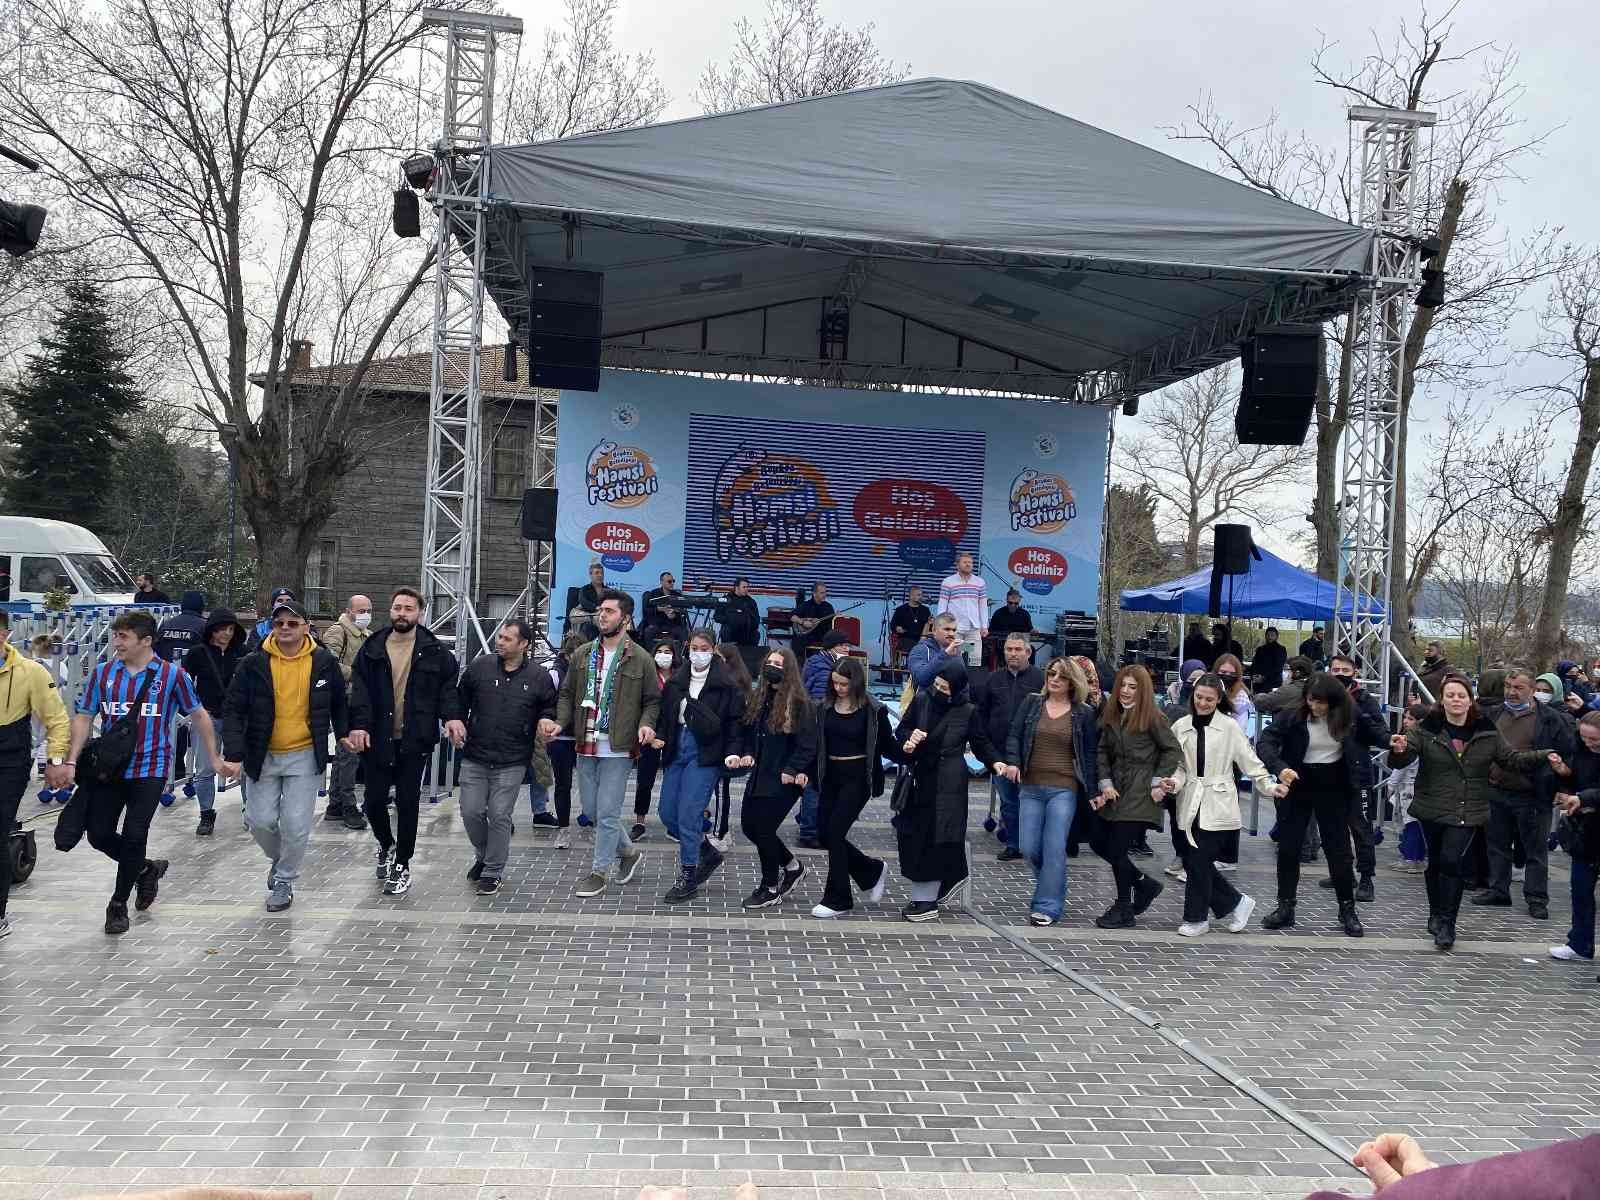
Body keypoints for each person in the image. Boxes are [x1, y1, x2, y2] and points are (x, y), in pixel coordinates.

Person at [68, 611, 227, 935]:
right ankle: (145, 869)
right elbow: (84, 716)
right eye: (115, 635)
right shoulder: (103, 673)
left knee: (135, 834)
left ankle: (117, 904)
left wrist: (214, 757)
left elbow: (198, 714)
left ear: (146, 641)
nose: (116, 642)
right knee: (98, 834)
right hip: (110, 769)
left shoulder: (172, 675)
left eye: (123, 637)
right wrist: (71, 759)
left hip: (151, 768)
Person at [1386, 672, 1548, 950]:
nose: (1456, 700)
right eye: (1450, 695)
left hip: (1468, 809)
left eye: (1461, 695)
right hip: (1432, 807)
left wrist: (1545, 755)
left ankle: (1448, 923)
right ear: (1442, 700)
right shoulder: (1426, 729)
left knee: (1452, 861)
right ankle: (1435, 913)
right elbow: (1404, 756)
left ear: (1470, 700)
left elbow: (1510, 759)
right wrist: (1399, 750)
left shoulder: (1486, 730)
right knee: (1437, 862)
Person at [220, 599, 349, 913]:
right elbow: (234, 710)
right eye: (279, 623)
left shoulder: (323, 661)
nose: (285, 628)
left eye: (292, 623)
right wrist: (234, 754)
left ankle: (284, 881)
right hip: (262, 754)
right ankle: (280, 860)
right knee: (258, 820)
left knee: (295, 825)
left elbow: (338, 703)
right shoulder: (253, 663)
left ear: (306, 627)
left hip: (305, 754)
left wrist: (346, 733)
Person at [346, 587, 464, 898]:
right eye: (398, 607)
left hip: (415, 738)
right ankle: (386, 844)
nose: (402, 613)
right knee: (373, 801)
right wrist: (359, 725)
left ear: (420, 614)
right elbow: (360, 691)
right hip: (377, 737)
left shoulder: (435, 651)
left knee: (408, 801)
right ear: (391, 610)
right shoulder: (372, 647)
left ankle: (402, 863)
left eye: (409, 608)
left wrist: (452, 718)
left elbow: (447, 690)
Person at [547, 588, 659, 898]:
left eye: (609, 611)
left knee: (608, 813)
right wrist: (560, 722)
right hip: (585, 743)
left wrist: (646, 724)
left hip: (619, 748)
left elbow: (652, 700)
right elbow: (567, 693)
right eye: (600, 610)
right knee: (593, 812)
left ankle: (599, 872)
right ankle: (629, 852)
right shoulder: (583, 654)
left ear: (625, 619)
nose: (602, 615)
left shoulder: (641, 658)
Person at [1257, 673, 1389, 938]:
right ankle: (1285, 906)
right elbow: (1266, 742)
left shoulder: (1349, 714)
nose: (1315, 706)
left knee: (1338, 850)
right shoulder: (1292, 715)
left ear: (1334, 701)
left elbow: (1374, 732)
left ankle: (1347, 908)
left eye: (1321, 702)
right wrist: (1279, 767)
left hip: (1334, 784)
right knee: (1289, 848)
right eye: (1311, 700)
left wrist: (1391, 741)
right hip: (1297, 781)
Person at [1164, 673, 1284, 937]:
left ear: (1219, 699)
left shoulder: (1229, 727)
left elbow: (1249, 760)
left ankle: (1196, 918)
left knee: (1198, 860)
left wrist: (1269, 785)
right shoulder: (1181, 726)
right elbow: (1179, 766)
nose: (1202, 703)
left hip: (1217, 802)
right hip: (1189, 801)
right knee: (1194, 861)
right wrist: (1173, 782)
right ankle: (1237, 902)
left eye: (1209, 699)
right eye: (1199, 697)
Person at [449, 618, 556, 896]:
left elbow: (549, 707)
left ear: (524, 644)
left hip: (513, 758)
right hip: (476, 754)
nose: (500, 642)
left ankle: (492, 871)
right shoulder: (480, 667)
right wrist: (455, 719)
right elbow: (459, 699)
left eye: (507, 638)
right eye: (499, 637)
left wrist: (546, 720)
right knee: (470, 811)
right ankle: (484, 855)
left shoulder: (539, 677)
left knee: (499, 815)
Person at [892, 658, 998, 922]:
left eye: (945, 688)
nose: (938, 691)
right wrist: (908, 740)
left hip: (948, 783)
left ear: (957, 688)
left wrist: (996, 763)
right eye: (936, 685)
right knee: (913, 834)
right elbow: (903, 729)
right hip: (919, 779)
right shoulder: (922, 699)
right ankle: (930, 890)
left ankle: (928, 898)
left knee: (939, 835)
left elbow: (981, 743)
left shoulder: (967, 711)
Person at [996, 657, 1096, 926]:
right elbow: (1014, 735)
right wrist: (1013, 762)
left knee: (1054, 847)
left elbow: (1088, 754)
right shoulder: (1032, 703)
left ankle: (1047, 906)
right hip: (1030, 786)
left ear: (1072, 682)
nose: (1054, 679)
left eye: (1061, 676)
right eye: (1051, 673)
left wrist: (1094, 790)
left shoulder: (1083, 713)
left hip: (1064, 788)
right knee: (1028, 847)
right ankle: (1054, 884)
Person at [1472, 666, 1572, 920]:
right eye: (1508, 686)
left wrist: (1562, 787)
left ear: (1532, 689)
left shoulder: (1551, 719)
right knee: (1497, 846)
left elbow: (1567, 755)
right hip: (1497, 791)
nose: (1511, 692)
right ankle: (1498, 890)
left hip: (1533, 795)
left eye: (1518, 687)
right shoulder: (1493, 714)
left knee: (1535, 851)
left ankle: (1536, 898)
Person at [804, 656, 899, 918]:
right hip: (830, 776)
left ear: (856, 683)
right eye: (835, 683)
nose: (838, 688)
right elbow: (813, 745)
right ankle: (871, 870)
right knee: (824, 834)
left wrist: (910, 750)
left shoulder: (873, 710)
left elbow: (888, 745)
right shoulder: (823, 707)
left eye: (844, 684)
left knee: (835, 832)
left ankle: (838, 898)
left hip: (858, 778)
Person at [656, 628, 746, 904]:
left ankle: (688, 874)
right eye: (694, 647)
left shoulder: (726, 684)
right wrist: (659, 735)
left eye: (704, 648)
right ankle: (706, 850)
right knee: (667, 812)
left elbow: (735, 723)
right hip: (677, 748)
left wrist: (733, 751)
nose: (698, 653)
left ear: (713, 649)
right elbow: (666, 715)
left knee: (689, 813)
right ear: (687, 647)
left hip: (706, 752)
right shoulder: (677, 681)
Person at [1089, 665, 1182, 929]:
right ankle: (1143, 884)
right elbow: (1102, 752)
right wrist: (1105, 783)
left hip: (1141, 792)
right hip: (1117, 789)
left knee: (1118, 849)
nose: (1126, 691)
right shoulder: (1112, 714)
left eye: (1133, 687)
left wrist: (1157, 782)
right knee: (1097, 841)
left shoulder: (1154, 717)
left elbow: (1172, 750)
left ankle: (1123, 907)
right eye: (1123, 685)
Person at [0, 611, 71, 940]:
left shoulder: (30, 672)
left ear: (5, 635)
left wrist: (55, 761)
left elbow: (57, 719)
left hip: (9, 760)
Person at [735, 647, 815, 909]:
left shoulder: (800, 703)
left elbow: (807, 745)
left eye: (778, 664)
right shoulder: (759, 697)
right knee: (749, 827)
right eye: (769, 663)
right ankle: (792, 866)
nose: (772, 668)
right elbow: (748, 733)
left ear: (788, 670)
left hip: (783, 779)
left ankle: (769, 887)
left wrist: (792, 769)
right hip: (760, 774)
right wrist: (747, 753)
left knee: (764, 829)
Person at [1322, 653, 1387, 901]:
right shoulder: (1322, 699)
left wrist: (1352, 708)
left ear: (1355, 673)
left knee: (1361, 828)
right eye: (1335, 670)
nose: (1340, 674)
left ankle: (1366, 878)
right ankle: (1342, 872)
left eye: (1345, 670)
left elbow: (1379, 733)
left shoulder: (1364, 700)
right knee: (1334, 829)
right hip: (1328, 773)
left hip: (1357, 774)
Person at [179, 606, 247, 836]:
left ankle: (250, 810)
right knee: (205, 768)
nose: (226, 633)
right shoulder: (198, 653)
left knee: (244, 767)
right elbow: (184, 681)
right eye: (222, 629)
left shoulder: (243, 652)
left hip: (237, 718)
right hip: (207, 716)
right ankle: (206, 813)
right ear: (212, 630)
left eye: (231, 629)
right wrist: (193, 708)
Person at [977, 633, 1044, 862]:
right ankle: (1013, 844)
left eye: (1017, 649)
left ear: (1028, 652)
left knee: (1032, 802)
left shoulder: (1041, 679)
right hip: (1000, 755)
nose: (1012, 654)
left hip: (1032, 754)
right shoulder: (993, 679)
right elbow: (982, 714)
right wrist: (987, 749)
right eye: (1009, 649)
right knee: (1009, 803)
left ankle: (1033, 844)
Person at [1549, 710, 1600, 964]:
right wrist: (1563, 774)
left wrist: (1583, 798)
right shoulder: (1579, 751)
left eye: (1595, 739)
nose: (1589, 743)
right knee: (1580, 889)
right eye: (1584, 737)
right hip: (1586, 832)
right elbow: (1574, 780)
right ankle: (1580, 944)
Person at [317, 594, 372, 828]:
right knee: (348, 753)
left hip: (359, 699)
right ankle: (347, 804)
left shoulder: (366, 635)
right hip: (344, 699)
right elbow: (328, 664)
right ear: (349, 611)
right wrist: (357, 675)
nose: (366, 614)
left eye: (368, 610)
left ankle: (337, 803)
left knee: (345, 754)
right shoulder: (337, 632)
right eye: (361, 610)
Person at [630, 636, 681, 841]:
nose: (663, 655)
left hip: (674, 734)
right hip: (649, 734)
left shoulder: (681, 676)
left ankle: (672, 823)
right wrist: (650, 737)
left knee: (675, 781)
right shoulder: (648, 675)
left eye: (668, 652)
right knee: (644, 780)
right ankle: (639, 822)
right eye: (659, 651)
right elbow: (638, 706)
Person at [937, 551, 988, 667]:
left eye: (970, 562)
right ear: (957, 565)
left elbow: (983, 605)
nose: (968, 564)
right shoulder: (948, 581)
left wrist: (984, 625)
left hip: (973, 627)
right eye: (965, 562)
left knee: (974, 659)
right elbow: (943, 603)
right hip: (955, 627)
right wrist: (941, 624)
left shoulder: (979, 582)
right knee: (953, 658)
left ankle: (972, 678)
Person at [713, 577, 762, 675]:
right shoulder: (725, 599)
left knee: (756, 634)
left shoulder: (751, 602)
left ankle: (749, 672)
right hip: (731, 633)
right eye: (744, 587)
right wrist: (730, 619)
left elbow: (756, 619)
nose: (747, 589)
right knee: (726, 631)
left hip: (747, 634)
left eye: (747, 587)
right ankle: (726, 670)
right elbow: (717, 617)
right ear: (736, 587)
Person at [907, 612, 965, 692]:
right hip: (927, 698)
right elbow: (921, 678)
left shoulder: (957, 651)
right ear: (934, 630)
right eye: (947, 629)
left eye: (954, 630)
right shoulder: (921, 649)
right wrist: (945, 654)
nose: (951, 634)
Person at [155, 591, 207, 663]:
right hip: (193, 668)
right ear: (201, 607)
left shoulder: (166, 624)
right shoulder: (205, 626)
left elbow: (156, 650)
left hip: (166, 668)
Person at [640, 570, 688, 645]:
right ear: (662, 582)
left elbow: (682, 612)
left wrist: (674, 615)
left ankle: (680, 652)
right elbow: (646, 611)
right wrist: (659, 609)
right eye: (669, 581)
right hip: (657, 624)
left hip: (673, 624)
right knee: (648, 631)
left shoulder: (677, 595)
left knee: (683, 632)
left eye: (673, 581)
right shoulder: (653, 594)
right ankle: (652, 651)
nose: (672, 583)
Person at [888, 585, 931, 669]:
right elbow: (892, 625)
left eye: (921, 595)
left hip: (920, 639)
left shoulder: (925, 610)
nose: (921, 597)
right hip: (904, 638)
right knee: (911, 644)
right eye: (918, 595)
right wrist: (897, 628)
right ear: (911, 596)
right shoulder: (901, 610)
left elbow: (930, 627)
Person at [791, 581, 834, 662]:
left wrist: (837, 617)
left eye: (825, 592)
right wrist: (803, 622)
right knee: (798, 641)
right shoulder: (806, 605)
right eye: (822, 593)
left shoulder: (828, 607)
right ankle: (799, 665)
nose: (824, 595)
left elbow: (831, 623)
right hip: (807, 637)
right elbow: (792, 616)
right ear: (814, 594)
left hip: (821, 637)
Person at [246, 586, 299, 651]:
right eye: (280, 600)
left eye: (288, 600)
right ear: (273, 605)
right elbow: (252, 651)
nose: (284, 603)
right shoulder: (261, 627)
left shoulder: (303, 625)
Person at [1248, 626, 1287, 691]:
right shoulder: (1260, 649)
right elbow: (1255, 664)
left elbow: (1278, 667)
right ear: (1265, 636)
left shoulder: (1281, 649)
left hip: (1273, 682)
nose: (1270, 637)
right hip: (1259, 682)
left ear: (1276, 637)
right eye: (1268, 635)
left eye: (1272, 635)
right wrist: (1253, 675)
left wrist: (1264, 678)